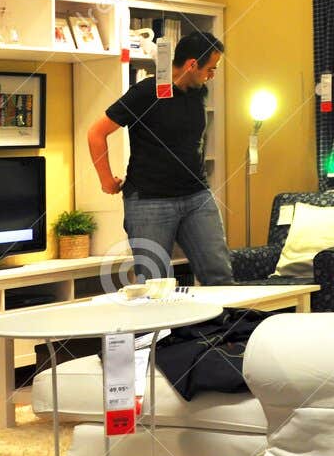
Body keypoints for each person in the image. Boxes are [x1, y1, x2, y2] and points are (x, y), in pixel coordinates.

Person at [86, 30, 234, 285]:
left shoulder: (197, 93)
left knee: (220, 275)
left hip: (196, 196)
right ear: (192, 65)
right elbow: (96, 133)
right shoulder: (145, 92)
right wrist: (106, 180)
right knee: (155, 285)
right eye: (211, 69)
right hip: (149, 200)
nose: (212, 75)